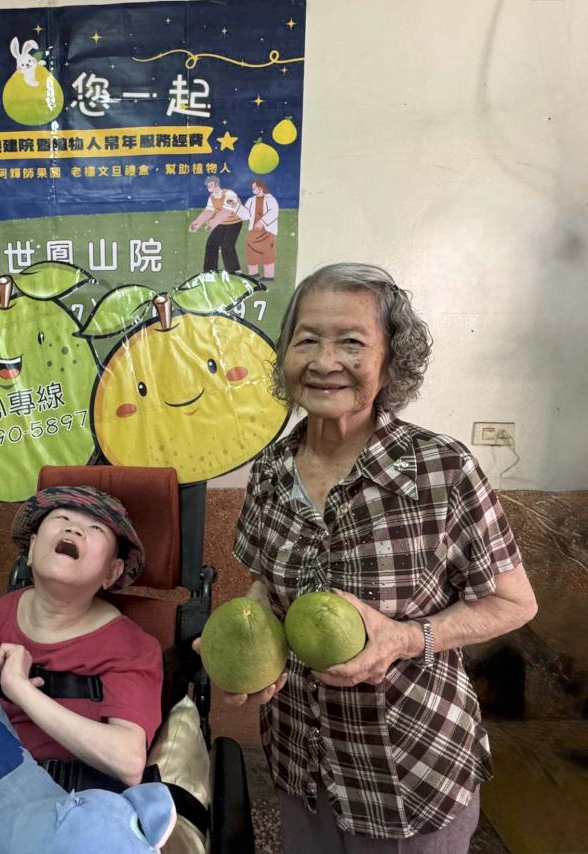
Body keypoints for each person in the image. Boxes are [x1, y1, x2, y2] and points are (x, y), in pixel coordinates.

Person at [227, 263, 538, 852]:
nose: (324, 361)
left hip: (410, 769)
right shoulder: (270, 469)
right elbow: (262, 583)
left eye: (351, 342)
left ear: (392, 363)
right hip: (300, 762)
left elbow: (515, 602)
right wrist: (249, 647)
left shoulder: (442, 469)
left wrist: (405, 638)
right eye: (307, 340)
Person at [0, 485, 163, 789]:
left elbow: (129, 762)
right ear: (31, 549)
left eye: (95, 528)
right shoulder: (1, 614)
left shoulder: (130, 645)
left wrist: (21, 690)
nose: (74, 529)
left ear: (111, 572)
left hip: (76, 801)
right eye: (62, 518)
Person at [188, 176, 244, 273]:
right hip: (221, 224)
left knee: (227, 246)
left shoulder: (229, 194)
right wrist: (197, 223)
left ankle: (235, 272)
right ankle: (210, 271)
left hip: (234, 223)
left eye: (211, 184)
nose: (209, 187)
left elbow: (226, 211)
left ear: (217, 184)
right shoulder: (212, 197)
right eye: (208, 185)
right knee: (211, 244)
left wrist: (213, 223)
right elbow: (208, 211)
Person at [241, 179, 279, 280]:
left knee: (268, 252)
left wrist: (262, 222)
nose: (253, 189)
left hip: (267, 231)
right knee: (251, 251)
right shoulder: (251, 200)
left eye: (255, 187)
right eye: (252, 188)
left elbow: (273, 213)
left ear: (261, 187)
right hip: (253, 232)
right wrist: (236, 207)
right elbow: (245, 214)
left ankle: (269, 276)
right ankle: (253, 273)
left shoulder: (271, 199)